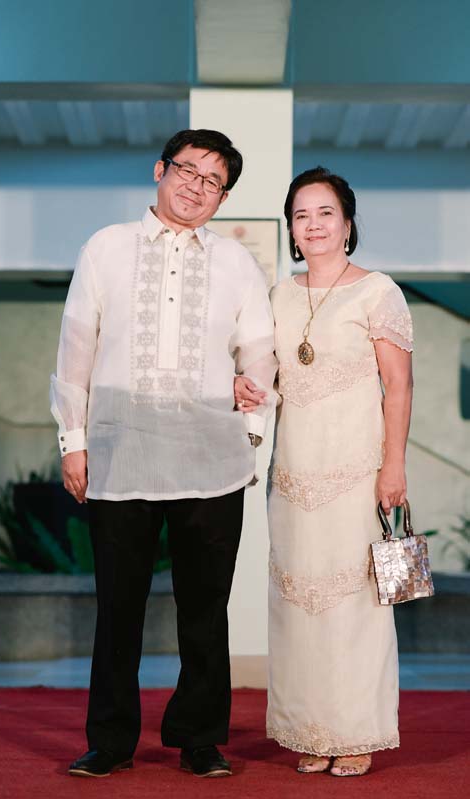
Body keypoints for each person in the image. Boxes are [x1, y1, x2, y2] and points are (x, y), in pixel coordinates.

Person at [50, 129, 277, 779]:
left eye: (213, 182)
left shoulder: (236, 263)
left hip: (211, 459)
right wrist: (73, 440)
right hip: (120, 452)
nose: (197, 188)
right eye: (188, 171)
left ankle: (199, 738)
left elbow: (259, 349)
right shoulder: (106, 246)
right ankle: (110, 740)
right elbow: (76, 346)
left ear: (223, 198)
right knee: (117, 610)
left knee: (204, 611)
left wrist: (250, 430)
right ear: (160, 170)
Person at [235, 166, 413, 777]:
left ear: (348, 223)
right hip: (293, 475)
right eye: (301, 215)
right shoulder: (278, 295)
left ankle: (356, 731)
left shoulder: (378, 291)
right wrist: (246, 389)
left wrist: (394, 466)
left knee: (356, 603)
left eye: (325, 213)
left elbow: (398, 386)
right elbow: (272, 379)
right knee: (296, 602)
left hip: (358, 472)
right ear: (291, 229)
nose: (313, 225)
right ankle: (310, 731)